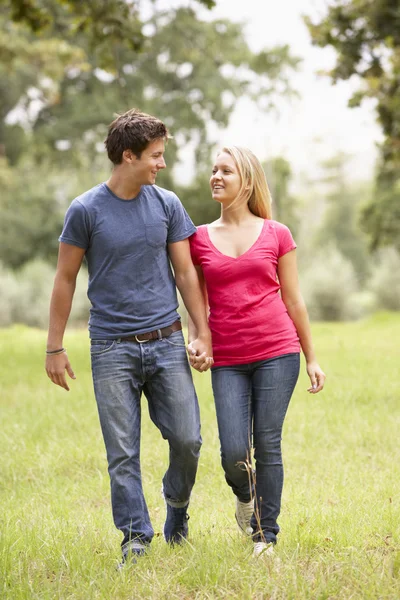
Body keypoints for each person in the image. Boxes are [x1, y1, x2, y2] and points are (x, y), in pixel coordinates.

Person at [45, 108, 213, 565]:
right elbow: (65, 279)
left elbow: (185, 271)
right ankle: (136, 536)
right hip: (111, 347)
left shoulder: (167, 204)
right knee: (122, 452)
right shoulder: (85, 210)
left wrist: (203, 333)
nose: (161, 163)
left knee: (188, 439)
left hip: (166, 341)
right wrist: (55, 346)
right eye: (155, 156)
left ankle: (176, 507)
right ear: (128, 155)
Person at [188, 146, 325, 559]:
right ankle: (245, 497)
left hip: (277, 351)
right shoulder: (197, 238)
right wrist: (199, 337)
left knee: (267, 443)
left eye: (225, 170)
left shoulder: (277, 233)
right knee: (233, 451)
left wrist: (312, 357)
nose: (215, 176)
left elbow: (295, 300)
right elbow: (196, 303)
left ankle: (265, 536)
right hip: (227, 358)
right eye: (213, 169)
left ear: (245, 180)